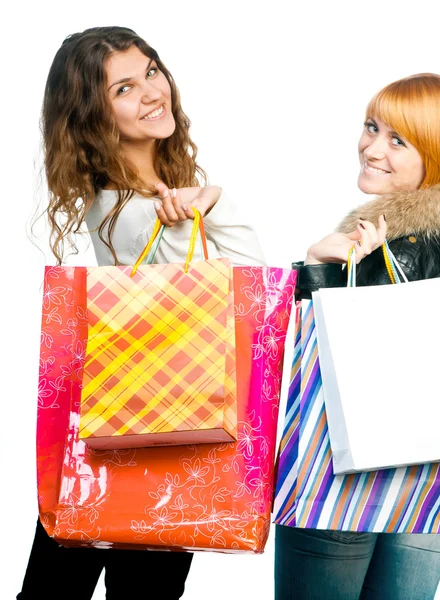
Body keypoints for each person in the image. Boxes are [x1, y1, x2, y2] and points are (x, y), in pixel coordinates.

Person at [19, 26, 265, 600]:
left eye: (151, 72)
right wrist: (216, 200)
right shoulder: (133, 210)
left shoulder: (147, 194)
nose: (151, 92)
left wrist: (200, 199)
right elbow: (247, 284)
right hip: (166, 424)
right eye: (124, 89)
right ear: (93, 118)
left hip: (120, 422)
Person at [274, 73, 440, 599]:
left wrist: (317, 265)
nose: (371, 148)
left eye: (398, 140)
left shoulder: (389, 247)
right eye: (372, 127)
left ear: (438, 153)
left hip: (346, 475)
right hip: (434, 477)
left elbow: (341, 363)